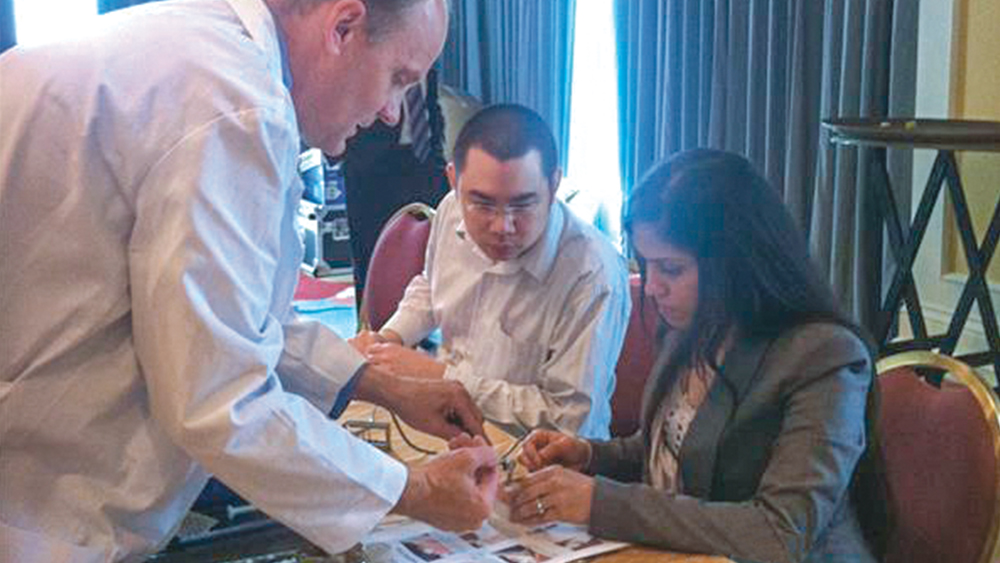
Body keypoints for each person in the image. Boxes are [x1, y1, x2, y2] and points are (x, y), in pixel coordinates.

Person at [0, 0, 500, 561]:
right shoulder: (234, 101)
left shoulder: (196, 50)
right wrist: (416, 489)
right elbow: (220, 395)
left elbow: (233, 314)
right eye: (399, 79)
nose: (392, 112)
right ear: (343, 27)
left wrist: (384, 387)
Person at [501, 149, 888, 563]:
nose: (651, 288)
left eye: (670, 269)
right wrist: (590, 456)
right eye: (646, 266)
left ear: (736, 263)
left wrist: (601, 502)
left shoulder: (824, 357)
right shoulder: (695, 325)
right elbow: (675, 449)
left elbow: (779, 534)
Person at [351, 104, 631, 439]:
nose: (502, 227)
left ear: (554, 184)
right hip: (448, 423)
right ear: (454, 181)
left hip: (539, 457)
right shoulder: (451, 209)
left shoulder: (593, 273)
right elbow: (433, 285)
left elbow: (569, 420)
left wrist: (442, 378)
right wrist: (389, 339)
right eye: (482, 204)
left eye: (522, 204)